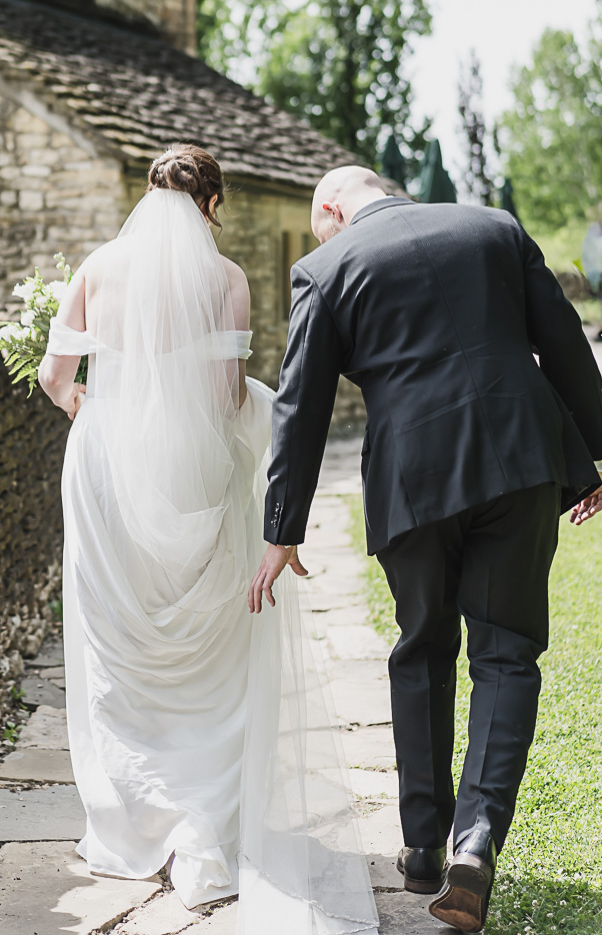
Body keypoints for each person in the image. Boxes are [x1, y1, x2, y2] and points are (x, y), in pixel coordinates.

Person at [251, 166, 602, 934]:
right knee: (506, 655)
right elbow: (565, 343)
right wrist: (596, 455)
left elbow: (299, 405)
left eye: (322, 228)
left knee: (421, 650)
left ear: (334, 208)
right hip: (519, 460)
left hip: (411, 479)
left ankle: (419, 848)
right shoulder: (495, 228)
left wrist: (282, 530)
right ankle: (475, 841)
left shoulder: (326, 268)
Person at [39, 146, 378, 932]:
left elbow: (58, 378)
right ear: (213, 202)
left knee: (117, 633)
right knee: (212, 640)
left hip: (105, 468)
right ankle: (204, 819)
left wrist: (97, 410)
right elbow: (226, 397)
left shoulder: (96, 268)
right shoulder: (225, 280)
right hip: (194, 467)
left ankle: (130, 822)